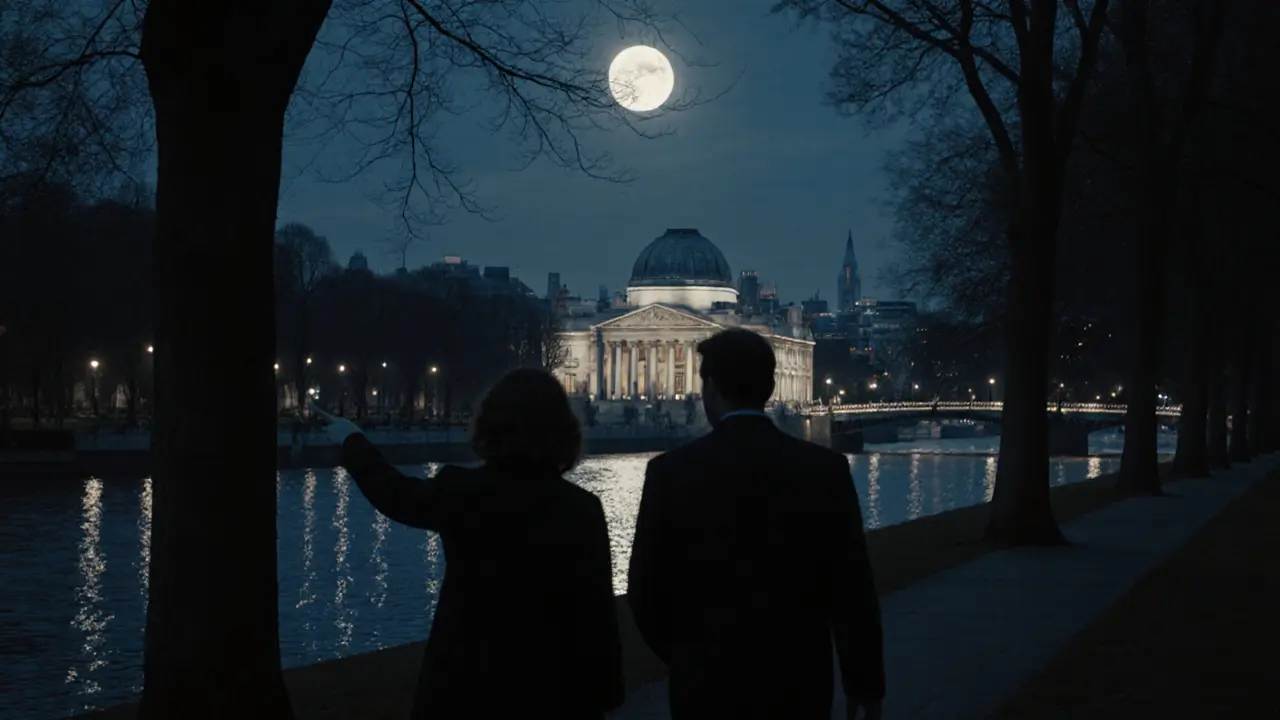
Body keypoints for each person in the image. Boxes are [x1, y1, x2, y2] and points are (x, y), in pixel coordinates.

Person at [316, 368, 625, 719]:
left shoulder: (463, 491)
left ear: (489, 426)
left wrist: (353, 441)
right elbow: (596, 613)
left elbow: (392, 492)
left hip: (465, 688)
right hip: (553, 694)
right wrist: (606, 693)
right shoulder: (581, 508)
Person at [627, 328, 885, 720]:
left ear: (712, 388)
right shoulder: (824, 469)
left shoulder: (670, 472)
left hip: (706, 683)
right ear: (769, 387)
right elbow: (852, 588)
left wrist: (688, 655)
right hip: (798, 678)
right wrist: (864, 682)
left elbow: (645, 590)